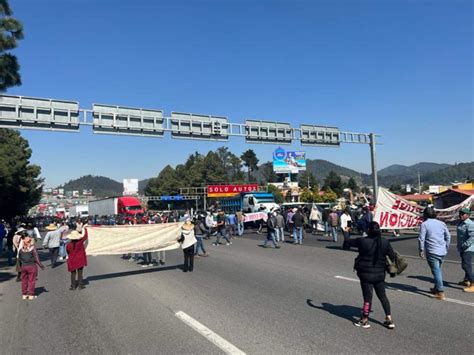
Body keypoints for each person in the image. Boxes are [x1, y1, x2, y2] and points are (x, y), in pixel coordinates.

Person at [350, 222, 396, 329]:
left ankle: (365, 319)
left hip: (365, 274)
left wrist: (347, 232)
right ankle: (389, 319)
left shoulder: (362, 241)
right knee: (383, 296)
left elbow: (347, 242)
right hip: (380, 274)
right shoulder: (384, 242)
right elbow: (392, 256)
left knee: (367, 298)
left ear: (369, 230)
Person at [418, 207, 451, 300]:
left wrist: (421, 250)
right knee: (437, 269)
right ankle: (437, 287)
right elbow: (448, 237)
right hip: (442, 250)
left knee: (436, 271)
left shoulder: (424, 224)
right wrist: (446, 247)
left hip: (432, 250)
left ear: (425, 215)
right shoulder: (442, 223)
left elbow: (421, 238)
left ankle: (440, 291)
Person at [18, 233, 45, 300]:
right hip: (32, 266)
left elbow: (20, 258)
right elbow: (36, 258)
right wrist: (41, 265)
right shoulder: (33, 249)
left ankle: (24, 294)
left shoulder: (21, 250)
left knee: (24, 281)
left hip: (24, 267)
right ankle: (31, 295)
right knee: (31, 281)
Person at [456, 208, 474, 292]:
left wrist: (465, 245)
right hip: (462, 247)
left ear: (468, 215)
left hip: (468, 248)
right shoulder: (461, 222)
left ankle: (473, 283)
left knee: (466, 265)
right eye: (460, 213)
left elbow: (472, 237)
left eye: (463, 214)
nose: (461, 215)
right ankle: (466, 280)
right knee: (465, 264)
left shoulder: (470, 224)